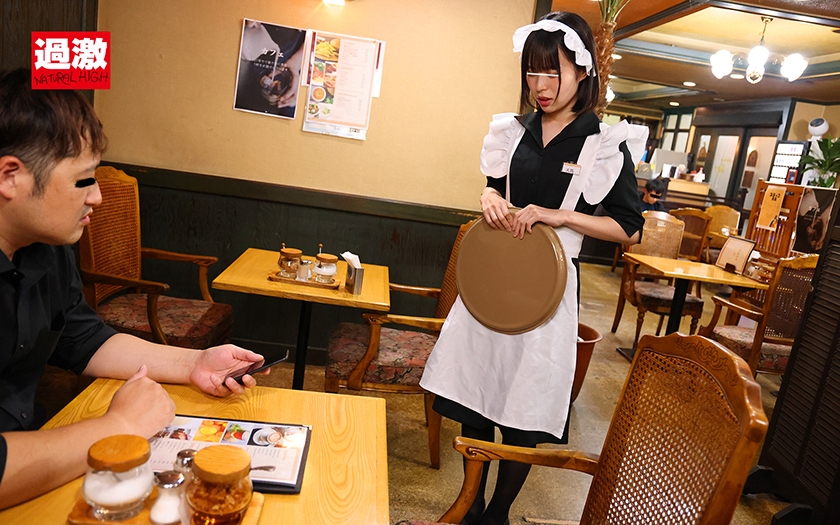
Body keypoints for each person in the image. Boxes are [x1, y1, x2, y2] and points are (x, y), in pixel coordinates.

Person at [0, 68, 268, 509]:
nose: (97, 197)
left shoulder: (45, 249)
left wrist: (194, 362)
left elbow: (84, 339)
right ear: (11, 176)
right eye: (84, 179)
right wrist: (119, 426)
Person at [420, 12, 646, 525]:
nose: (540, 86)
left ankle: (497, 514)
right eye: (532, 72)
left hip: (548, 290)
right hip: (494, 278)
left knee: (523, 409)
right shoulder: (512, 131)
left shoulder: (602, 143)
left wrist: (561, 215)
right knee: (476, 396)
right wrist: (487, 197)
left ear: (583, 71)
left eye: (553, 72)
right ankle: (471, 506)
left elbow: (629, 228)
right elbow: (494, 188)